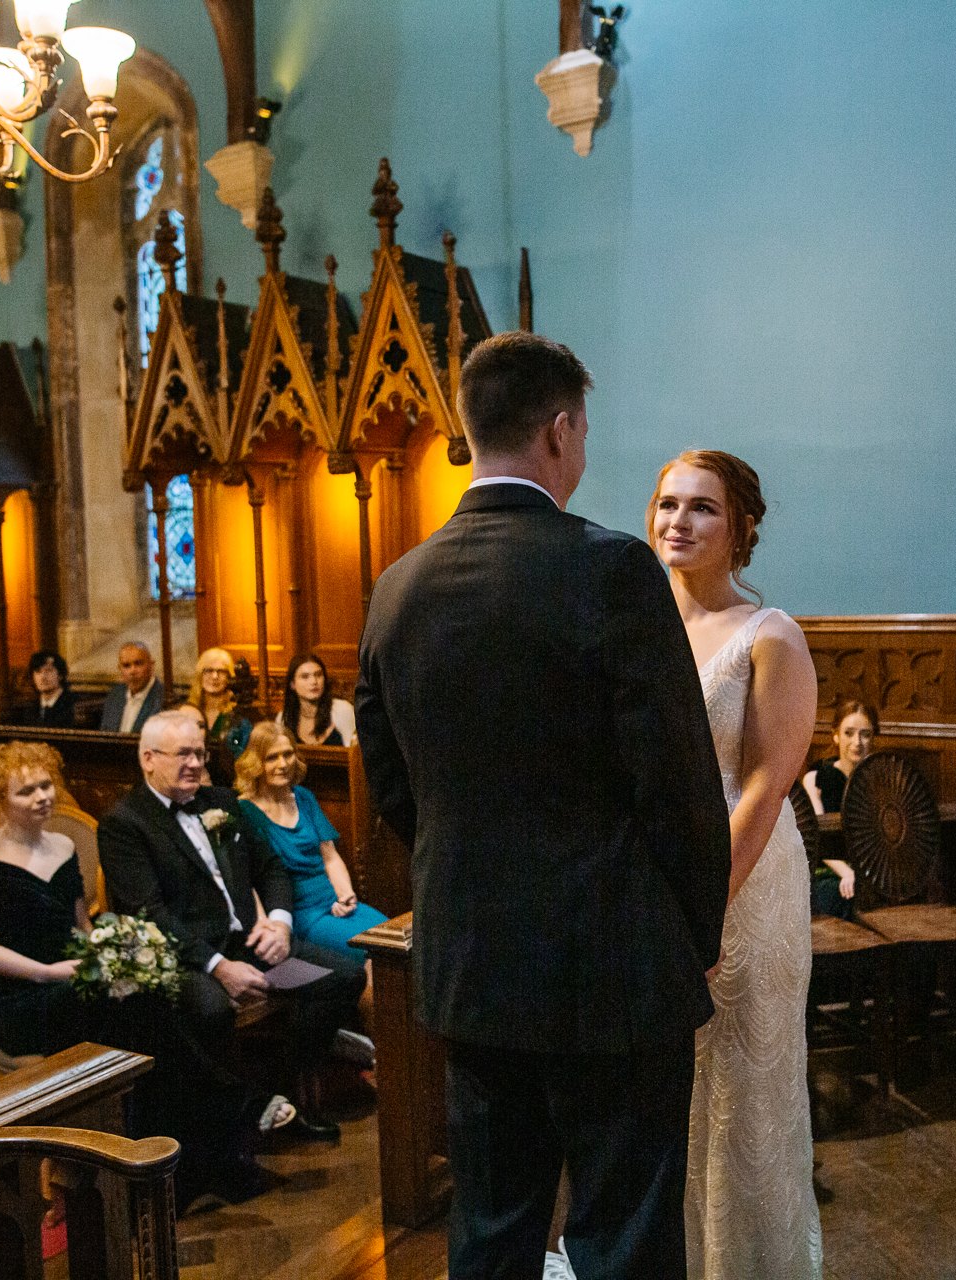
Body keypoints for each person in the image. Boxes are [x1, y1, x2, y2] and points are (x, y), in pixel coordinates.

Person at [354, 332, 731, 1280]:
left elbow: (391, 778)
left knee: (490, 1226)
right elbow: (677, 784)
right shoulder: (609, 569)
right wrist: (693, 929)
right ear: (560, 431)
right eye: (585, 430)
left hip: (471, 962)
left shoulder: (397, 587)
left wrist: (469, 871)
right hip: (612, 959)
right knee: (625, 1233)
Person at [0, 740, 284, 1205]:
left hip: (78, 981)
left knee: (148, 1004)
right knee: (146, 1013)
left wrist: (118, 956)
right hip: (23, 1000)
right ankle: (230, 1115)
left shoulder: (65, 845)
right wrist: (48, 972)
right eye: (25, 791)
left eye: (46, 784)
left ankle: (179, 1169)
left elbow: (82, 927)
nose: (41, 797)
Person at [651, 449, 821, 1279]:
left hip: (744, 880)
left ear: (740, 529)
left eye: (702, 508)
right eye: (667, 504)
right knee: (671, 1098)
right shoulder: (645, 625)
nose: (678, 521)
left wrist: (704, 905)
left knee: (743, 1097)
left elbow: (765, 781)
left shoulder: (769, 634)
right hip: (659, 876)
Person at [98, 710, 362, 1146]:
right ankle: (233, 1126)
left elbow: (271, 868)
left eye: (200, 754)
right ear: (148, 758)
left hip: (253, 945)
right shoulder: (126, 823)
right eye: (182, 754)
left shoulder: (220, 803)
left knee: (341, 977)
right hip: (192, 959)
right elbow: (148, 914)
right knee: (210, 1010)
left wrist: (278, 922)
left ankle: (280, 1092)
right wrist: (220, 966)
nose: (195, 764)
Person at [235, 722, 386, 965]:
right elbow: (248, 878)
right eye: (272, 757)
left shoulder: (303, 797)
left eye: (288, 754)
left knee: (396, 943)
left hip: (335, 901)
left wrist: (345, 894)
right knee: (371, 957)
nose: (283, 764)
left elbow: (330, 856)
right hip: (300, 914)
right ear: (255, 762)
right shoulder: (244, 809)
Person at [801, 700, 872, 920]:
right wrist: (847, 872)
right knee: (842, 894)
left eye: (865, 734)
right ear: (836, 735)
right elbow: (817, 838)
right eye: (849, 733)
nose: (857, 742)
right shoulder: (816, 779)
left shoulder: (880, 779)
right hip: (828, 870)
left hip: (871, 870)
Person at [276, 654, 355, 748]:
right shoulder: (283, 718)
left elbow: (353, 754)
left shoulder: (342, 710)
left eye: (318, 675)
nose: (314, 681)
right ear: (292, 684)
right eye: (305, 677)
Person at [188, 648, 252, 759]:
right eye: (209, 670)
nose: (214, 676)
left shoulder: (237, 713)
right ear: (200, 675)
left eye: (221, 671)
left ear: (229, 677)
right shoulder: (189, 711)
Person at [100, 643, 164, 736]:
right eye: (126, 665)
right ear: (120, 669)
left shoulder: (164, 697)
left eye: (138, 664)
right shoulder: (115, 694)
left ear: (151, 665)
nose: (132, 671)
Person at [4, 652, 79, 729]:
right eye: (38, 672)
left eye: (48, 671)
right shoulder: (28, 707)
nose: (43, 677)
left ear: (61, 675)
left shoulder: (74, 706)